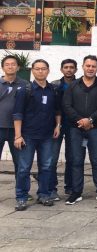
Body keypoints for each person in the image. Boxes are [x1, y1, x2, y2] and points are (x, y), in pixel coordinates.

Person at [62, 55, 97, 205]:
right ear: (83, 67)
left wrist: (90, 120)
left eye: (93, 66)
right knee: (76, 161)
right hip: (76, 128)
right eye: (88, 66)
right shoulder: (73, 85)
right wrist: (80, 120)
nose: (90, 68)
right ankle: (76, 192)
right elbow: (67, 105)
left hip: (96, 128)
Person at [13, 59, 61, 211]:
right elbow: (17, 114)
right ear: (32, 71)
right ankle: (21, 197)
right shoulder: (24, 90)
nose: (41, 71)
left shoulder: (53, 90)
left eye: (43, 69)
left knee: (46, 167)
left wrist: (58, 126)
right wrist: (18, 135)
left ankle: (44, 194)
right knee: (23, 168)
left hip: (47, 135)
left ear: (48, 70)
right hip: (28, 135)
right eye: (37, 69)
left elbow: (57, 110)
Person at [49, 59, 77, 199]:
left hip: (73, 126)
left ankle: (70, 186)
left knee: (71, 158)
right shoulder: (54, 85)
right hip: (56, 125)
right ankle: (52, 187)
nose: (69, 70)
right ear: (61, 69)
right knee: (52, 158)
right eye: (66, 67)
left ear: (76, 70)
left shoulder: (80, 84)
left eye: (71, 67)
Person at [0, 55, 29, 178]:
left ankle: (21, 192)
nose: (10, 66)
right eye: (7, 64)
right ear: (2, 67)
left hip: (17, 131)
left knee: (20, 163)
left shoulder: (25, 84)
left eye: (13, 64)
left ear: (18, 67)